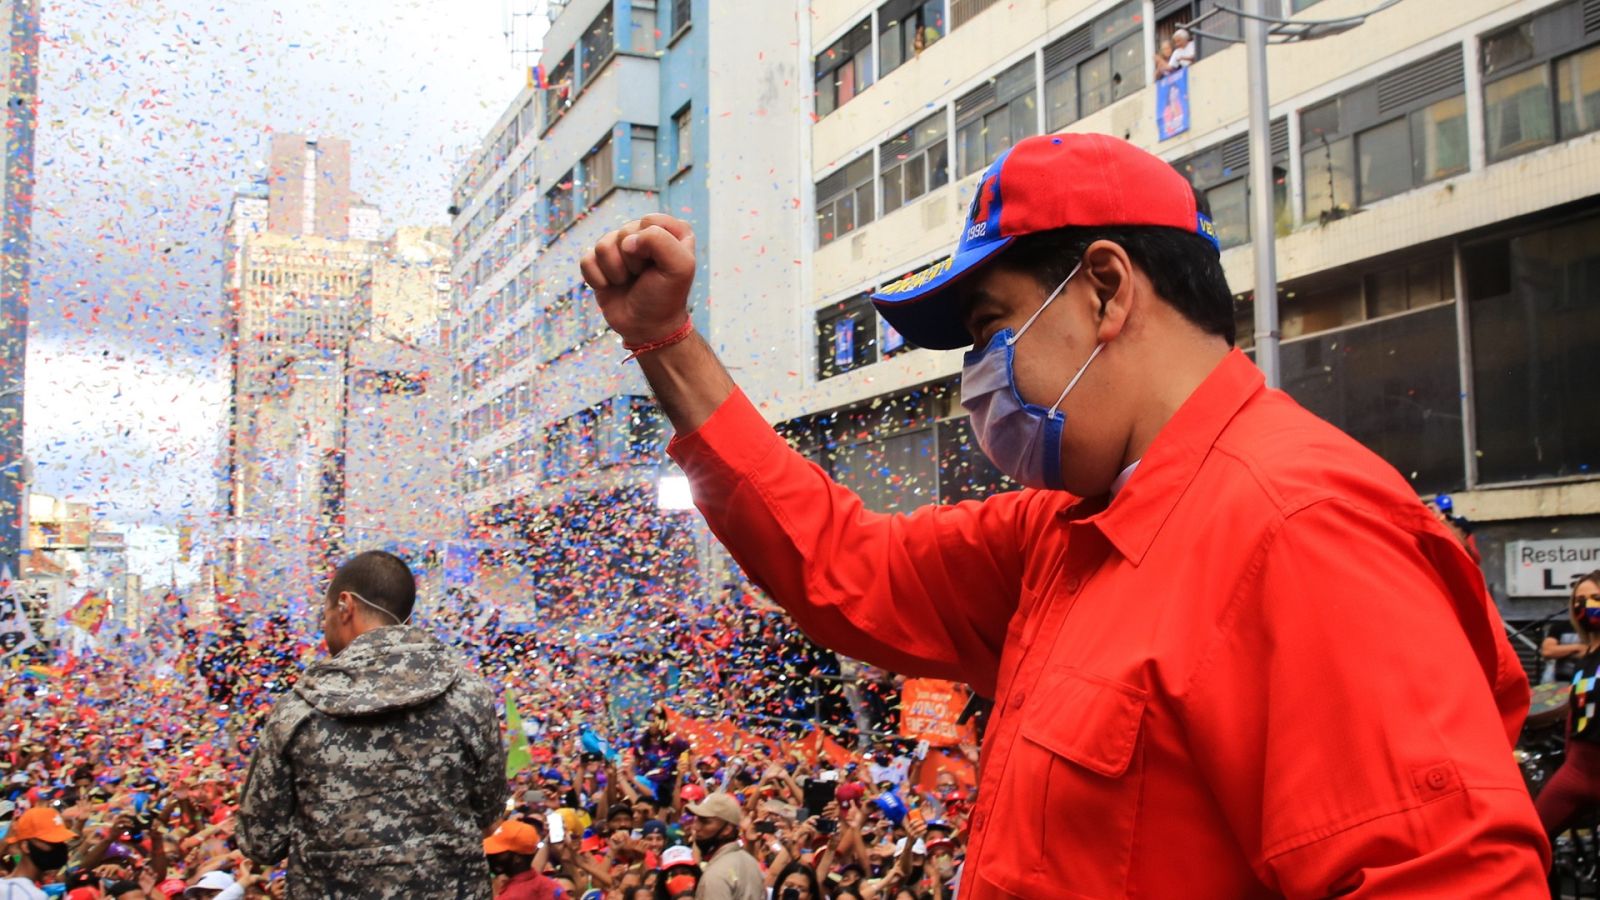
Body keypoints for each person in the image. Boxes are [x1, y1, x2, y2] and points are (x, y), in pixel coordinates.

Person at [579, 131, 1545, 897]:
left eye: (988, 328)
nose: (976, 378)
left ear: (1106, 289)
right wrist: (666, 343)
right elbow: (841, 560)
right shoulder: (1064, 534)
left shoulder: (1302, 530)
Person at [236, 550, 509, 898]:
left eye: (324, 613)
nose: (324, 626)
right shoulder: (470, 697)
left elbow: (260, 842)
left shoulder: (297, 710)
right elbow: (488, 816)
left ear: (345, 606)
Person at [1534, 571, 1600, 836]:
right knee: (1532, 839)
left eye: (1596, 597)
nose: (1586, 605)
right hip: (1578, 770)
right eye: (1579, 600)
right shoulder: (1586, 658)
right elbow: (1575, 713)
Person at [682, 793, 761, 900]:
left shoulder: (715, 875)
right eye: (696, 819)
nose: (696, 827)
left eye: (705, 822)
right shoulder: (751, 861)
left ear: (727, 829)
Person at [1, 807, 76, 899]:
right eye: (50, 842)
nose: (58, 848)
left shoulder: (8, 886)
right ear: (25, 846)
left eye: (60, 842)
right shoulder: (30, 895)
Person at [484, 819, 561, 900]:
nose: (493, 855)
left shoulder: (509, 897)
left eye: (499, 852)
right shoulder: (552, 887)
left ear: (517, 858)